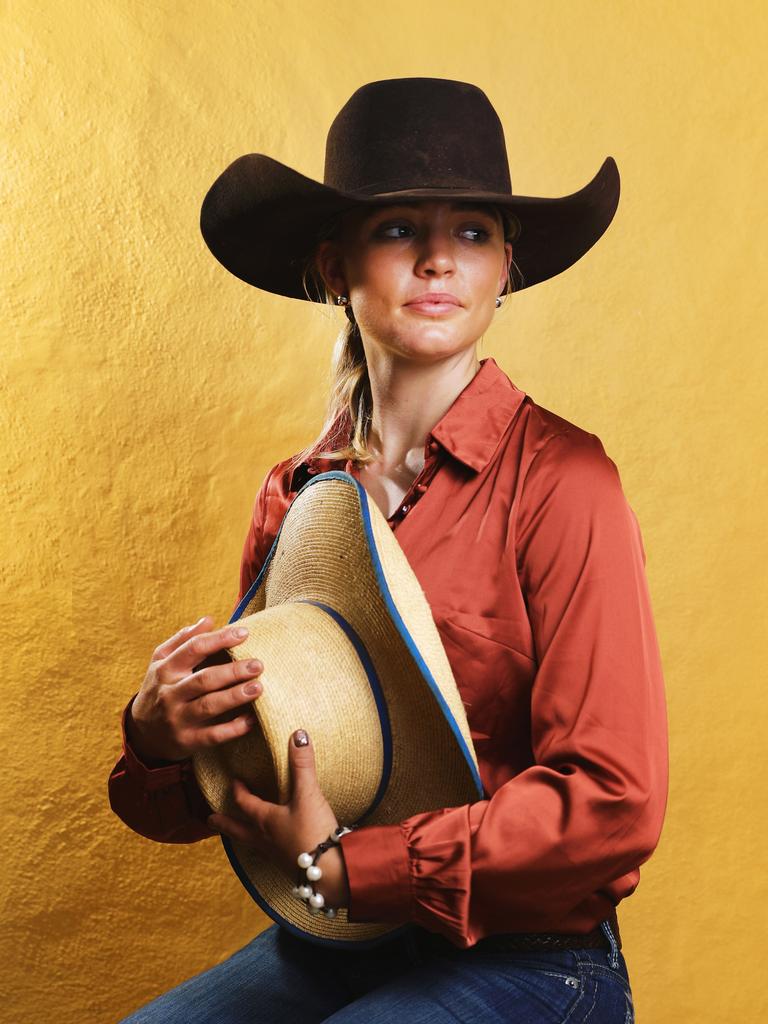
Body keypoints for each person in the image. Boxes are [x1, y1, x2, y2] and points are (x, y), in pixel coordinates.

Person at [109, 77, 668, 1023]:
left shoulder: (566, 482)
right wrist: (160, 740)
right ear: (336, 267)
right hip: (332, 939)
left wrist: (347, 866)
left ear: (504, 271)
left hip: (531, 958)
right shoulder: (297, 500)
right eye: (401, 228)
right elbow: (254, 775)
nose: (442, 258)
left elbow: (615, 801)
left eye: (475, 233)